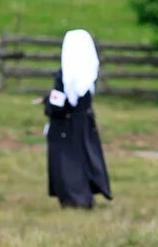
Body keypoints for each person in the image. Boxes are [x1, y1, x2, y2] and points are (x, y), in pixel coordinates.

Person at [44, 29, 112, 209]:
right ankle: (86, 196)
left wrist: (47, 103)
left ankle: (74, 198)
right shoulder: (89, 74)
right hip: (85, 121)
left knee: (68, 163)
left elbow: (59, 103)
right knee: (84, 158)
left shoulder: (65, 75)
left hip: (65, 125)